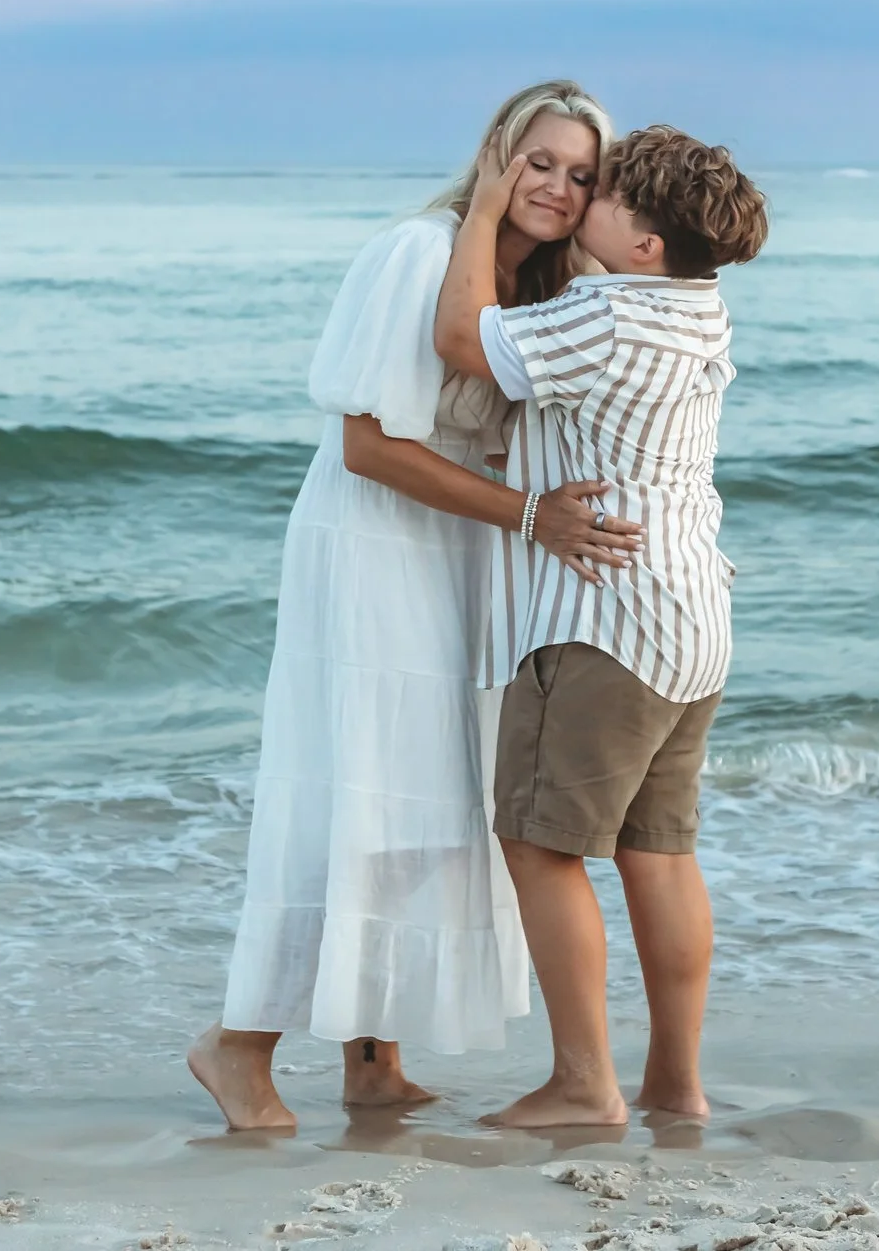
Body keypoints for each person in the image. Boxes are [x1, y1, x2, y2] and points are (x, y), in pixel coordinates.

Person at [188, 82, 648, 1133]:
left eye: (582, 175)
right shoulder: (416, 251)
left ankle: (371, 1060)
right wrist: (532, 516)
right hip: (373, 547)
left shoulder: (539, 287)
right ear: (496, 152)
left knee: (419, 799)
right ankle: (236, 1044)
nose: (560, 188)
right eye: (540, 161)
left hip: (455, 549)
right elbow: (368, 444)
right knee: (365, 789)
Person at [433, 125, 770, 1129]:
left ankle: (585, 1084)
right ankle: (674, 1085)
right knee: (657, 852)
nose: (582, 200)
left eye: (606, 194)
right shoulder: (699, 308)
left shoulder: (609, 315)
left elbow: (464, 343)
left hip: (606, 617)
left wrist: (488, 206)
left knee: (539, 845)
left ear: (644, 248)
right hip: (693, 613)